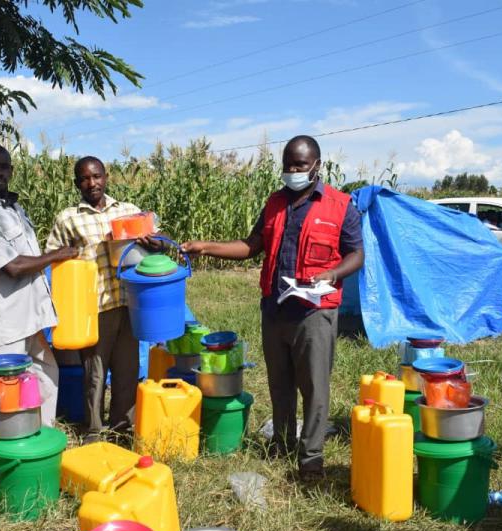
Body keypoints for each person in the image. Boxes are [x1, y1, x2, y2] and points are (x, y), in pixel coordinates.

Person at [182, 135, 364, 482]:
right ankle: (282, 444)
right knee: (279, 383)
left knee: (314, 387)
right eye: (288, 165)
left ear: (317, 166)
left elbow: (357, 254)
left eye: (300, 165)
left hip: (314, 312)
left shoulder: (341, 206)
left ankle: (310, 459)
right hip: (275, 309)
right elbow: (252, 246)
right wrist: (206, 247)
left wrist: (334, 272)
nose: (293, 171)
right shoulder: (275, 203)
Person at [0, 144, 78, 426]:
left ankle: (40, 434)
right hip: (3, 320)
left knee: (47, 374)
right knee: (6, 390)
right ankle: (6, 451)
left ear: (11, 170)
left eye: (4, 166)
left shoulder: (14, 208)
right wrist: (57, 255)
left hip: (29, 315)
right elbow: (12, 266)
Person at [46, 156, 162, 442]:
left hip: (128, 301)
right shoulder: (68, 218)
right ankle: (95, 431)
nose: (92, 183)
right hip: (93, 306)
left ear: (106, 177)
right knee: (95, 373)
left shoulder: (128, 211)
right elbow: (54, 260)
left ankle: (123, 427)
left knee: (128, 369)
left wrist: (156, 243)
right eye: (85, 178)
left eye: (96, 176)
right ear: (77, 183)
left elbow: (157, 240)